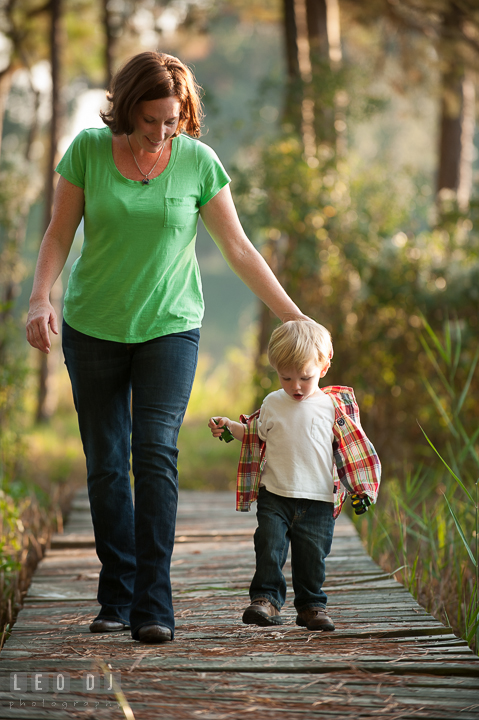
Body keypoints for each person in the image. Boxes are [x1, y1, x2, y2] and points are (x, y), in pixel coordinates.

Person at [26, 51, 309, 644]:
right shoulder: (87, 151)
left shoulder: (199, 163)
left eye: (172, 120)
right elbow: (58, 233)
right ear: (127, 108)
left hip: (170, 327)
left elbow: (238, 250)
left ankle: (153, 604)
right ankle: (116, 594)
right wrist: (40, 299)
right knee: (107, 464)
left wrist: (296, 316)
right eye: (150, 119)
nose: (160, 131)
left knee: (154, 452)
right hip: (92, 328)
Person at [208, 320, 381, 630]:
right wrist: (229, 428)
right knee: (269, 545)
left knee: (312, 556)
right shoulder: (272, 402)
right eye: (285, 377)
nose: (296, 386)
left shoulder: (331, 408)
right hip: (275, 494)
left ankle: (311, 605)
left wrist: (361, 490)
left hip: (318, 500)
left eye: (305, 377)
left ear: (323, 367)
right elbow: (254, 434)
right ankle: (266, 601)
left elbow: (351, 452)